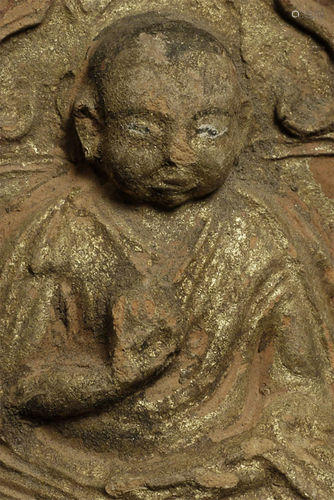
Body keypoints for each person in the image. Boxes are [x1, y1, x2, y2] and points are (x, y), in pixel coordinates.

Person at [0, 13, 333, 499]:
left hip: (224, 465)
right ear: (91, 129)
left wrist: (257, 452)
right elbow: (13, 391)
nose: (178, 154)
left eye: (209, 131)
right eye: (141, 128)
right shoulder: (60, 236)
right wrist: (109, 380)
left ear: (242, 128)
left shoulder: (254, 235)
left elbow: (303, 387)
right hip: (64, 471)